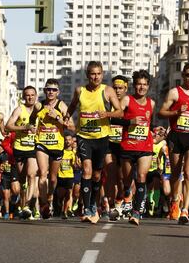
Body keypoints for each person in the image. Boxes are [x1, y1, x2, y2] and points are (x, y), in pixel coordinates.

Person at [65, 61, 122, 223]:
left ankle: (93, 203)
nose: (95, 77)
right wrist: (67, 117)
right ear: (87, 75)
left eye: (98, 74)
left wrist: (107, 115)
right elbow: (73, 105)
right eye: (92, 74)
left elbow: (120, 112)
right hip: (84, 137)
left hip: (102, 138)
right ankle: (87, 208)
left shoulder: (108, 91)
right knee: (86, 171)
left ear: (102, 74)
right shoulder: (80, 91)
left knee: (97, 175)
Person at [158, 62, 189, 224]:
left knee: (188, 173)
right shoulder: (175, 93)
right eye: (188, 75)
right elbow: (161, 112)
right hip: (176, 136)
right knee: (176, 173)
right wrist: (176, 112)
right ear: (183, 76)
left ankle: (185, 210)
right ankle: (174, 201)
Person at [119, 69, 155, 226]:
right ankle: (127, 192)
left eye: (144, 85)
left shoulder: (151, 103)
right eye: (139, 84)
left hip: (145, 146)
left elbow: (148, 124)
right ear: (134, 85)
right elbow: (115, 119)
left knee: (141, 176)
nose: (141, 87)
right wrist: (130, 122)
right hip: (127, 146)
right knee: (127, 179)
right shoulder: (127, 100)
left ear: (148, 86)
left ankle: (136, 212)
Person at [35, 79, 73, 219]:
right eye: (48, 89)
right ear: (45, 90)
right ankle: (44, 204)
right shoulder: (39, 105)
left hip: (57, 145)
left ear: (58, 92)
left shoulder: (61, 105)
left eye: (54, 90)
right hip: (42, 144)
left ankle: (50, 196)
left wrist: (57, 117)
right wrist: (31, 126)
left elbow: (71, 126)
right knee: (43, 174)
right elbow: (32, 120)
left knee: (52, 178)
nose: (51, 92)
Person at [6, 86, 41, 219]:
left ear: (36, 96)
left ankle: (27, 205)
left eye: (32, 95)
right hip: (20, 148)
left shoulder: (40, 110)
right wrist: (23, 127)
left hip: (33, 148)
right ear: (23, 97)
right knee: (22, 180)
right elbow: (8, 126)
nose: (30, 97)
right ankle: (22, 202)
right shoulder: (19, 110)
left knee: (32, 175)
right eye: (27, 95)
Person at [106, 75, 129, 221]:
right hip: (108, 144)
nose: (117, 90)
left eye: (120, 88)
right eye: (115, 88)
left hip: (125, 144)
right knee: (110, 174)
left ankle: (122, 198)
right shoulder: (106, 104)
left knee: (122, 178)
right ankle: (112, 207)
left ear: (126, 88)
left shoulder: (129, 104)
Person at [56, 134, 76, 219]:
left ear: (72, 141)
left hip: (70, 175)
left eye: (69, 140)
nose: (67, 141)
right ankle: (59, 203)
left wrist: (75, 163)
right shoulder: (61, 152)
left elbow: (75, 166)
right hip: (60, 175)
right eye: (66, 140)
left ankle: (64, 211)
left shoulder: (73, 153)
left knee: (68, 193)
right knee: (61, 195)